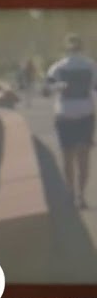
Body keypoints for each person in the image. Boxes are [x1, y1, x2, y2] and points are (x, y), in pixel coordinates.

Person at [44, 33, 97, 208]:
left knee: (68, 157)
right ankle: (81, 196)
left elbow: (46, 91)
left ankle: (70, 193)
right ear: (82, 47)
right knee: (83, 157)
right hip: (85, 114)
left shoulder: (57, 67)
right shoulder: (91, 66)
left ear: (65, 48)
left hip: (65, 114)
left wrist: (58, 87)